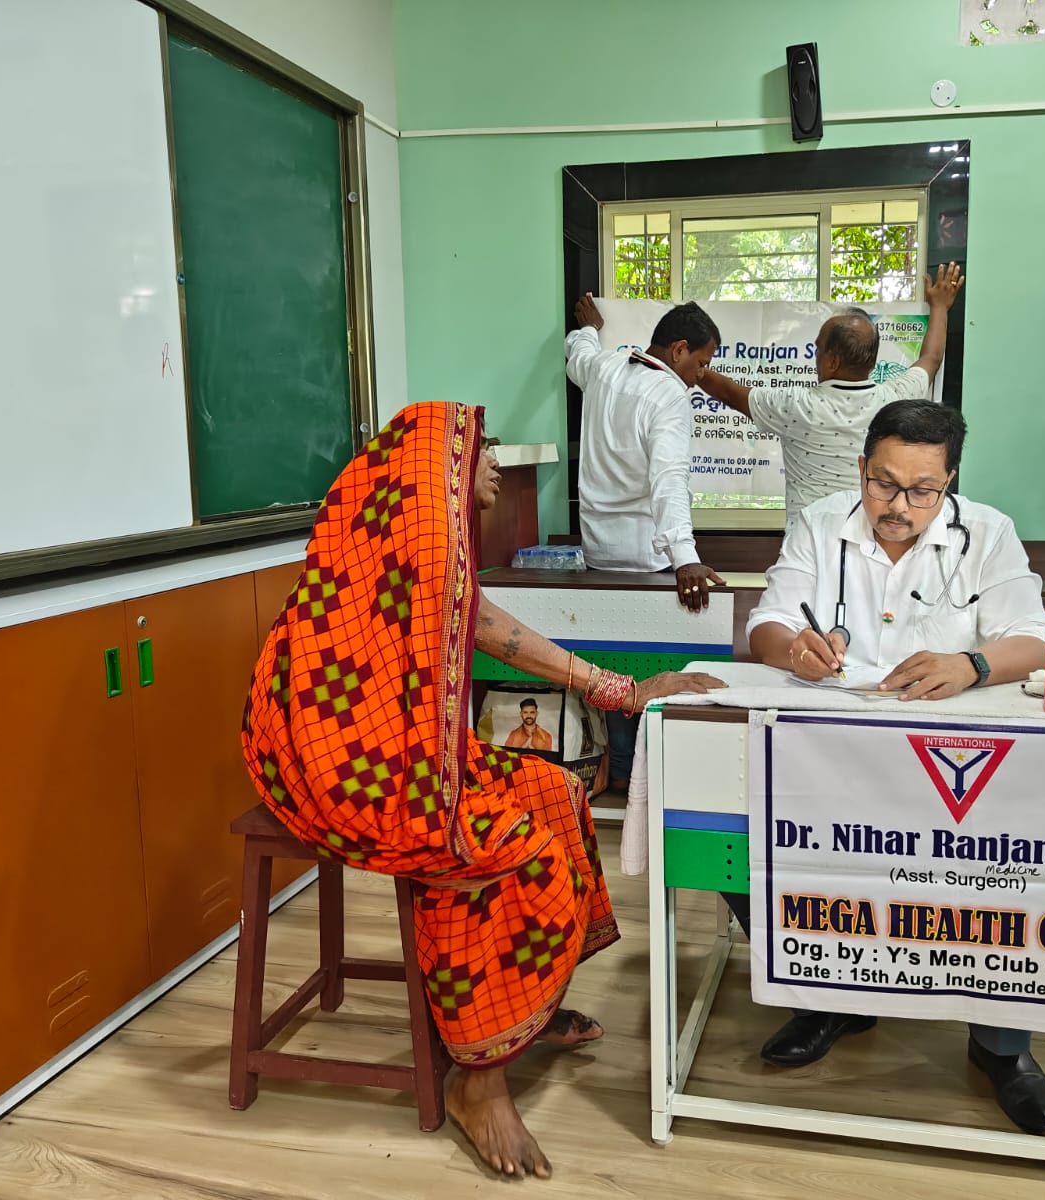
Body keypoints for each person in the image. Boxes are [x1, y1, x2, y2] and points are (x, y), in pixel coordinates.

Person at [242, 401, 724, 1179]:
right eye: (478, 447)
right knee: (498, 846)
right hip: (335, 765)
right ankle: (479, 1079)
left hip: (395, 751)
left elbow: (483, 622)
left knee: (552, 790)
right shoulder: (420, 540)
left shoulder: (429, 539)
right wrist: (622, 691)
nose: (493, 460)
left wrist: (621, 690)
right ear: (436, 467)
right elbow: (492, 630)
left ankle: (526, 1004)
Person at [735, 397, 1045, 1137]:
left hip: (954, 767)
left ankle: (1001, 1047)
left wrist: (972, 664)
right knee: (741, 840)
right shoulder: (821, 523)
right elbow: (769, 622)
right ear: (861, 468)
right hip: (831, 756)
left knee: (1007, 865)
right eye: (883, 484)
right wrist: (793, 650)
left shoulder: (988, 533)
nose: (898, 507)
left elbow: (1035, 641)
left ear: (949, 482)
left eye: (922, 491)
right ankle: (829, 996)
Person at [696, 264, 964, 529]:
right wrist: (940, 307)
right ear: (872, 361)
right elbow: (931, 358)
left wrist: (692, 364)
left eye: (818, 349)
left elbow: (729, 393)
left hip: (807, 541)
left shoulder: (796, 406)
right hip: (866, 541)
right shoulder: (894, 399)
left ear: (832, 361)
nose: (815, 356)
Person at [566, 295, 727, 612]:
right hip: (648, 562)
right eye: (702, 364)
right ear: (679, 350)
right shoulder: (669, 395)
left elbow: (579, 356)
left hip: (596, 555)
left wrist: (589, 328)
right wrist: (685, 557)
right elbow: (670, 479)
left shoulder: (604, 368)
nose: (700, 376)